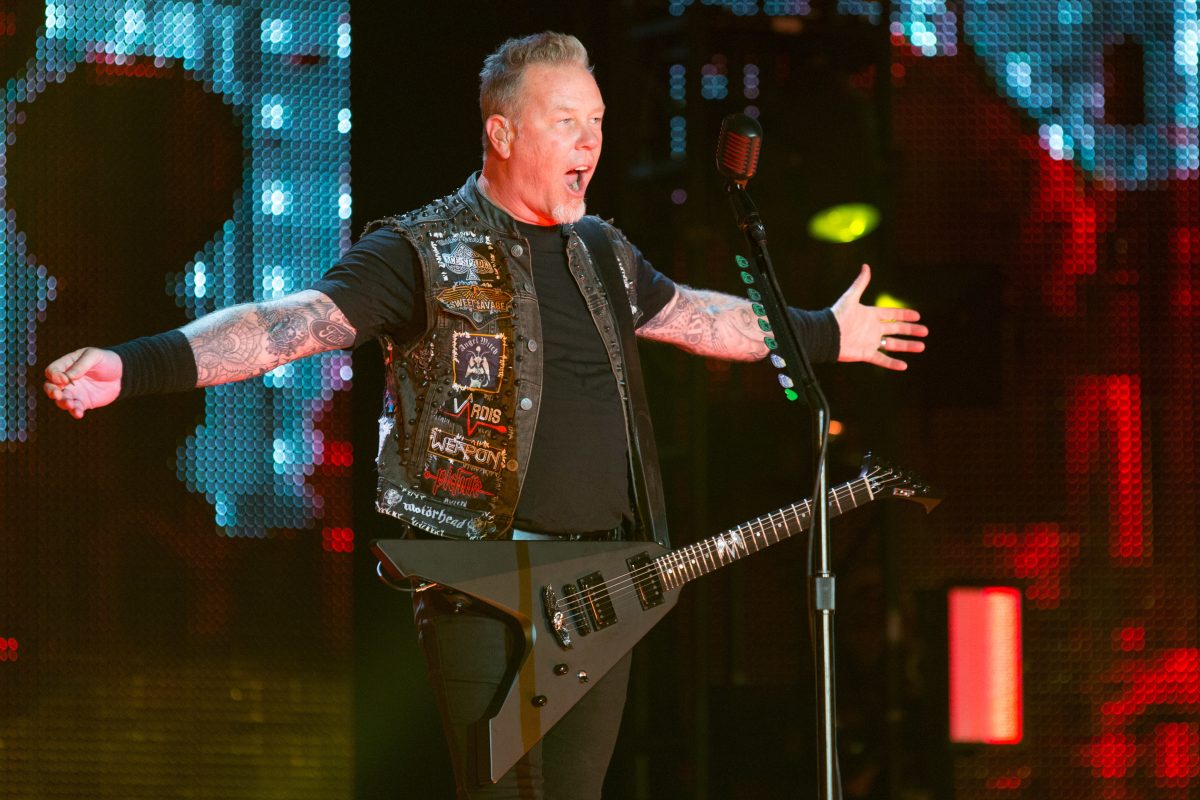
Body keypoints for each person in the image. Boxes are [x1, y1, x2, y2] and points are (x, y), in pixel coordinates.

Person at [44, 31, 926, 800]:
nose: (590, 141)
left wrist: (823, 333)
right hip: (484, 581)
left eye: (597, 121)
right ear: (502, 134)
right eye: (565, 121)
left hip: (602, 583)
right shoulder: (421, 249)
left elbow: (696, 317)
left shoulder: (603, 251)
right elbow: (288, 326)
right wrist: (134, 364)